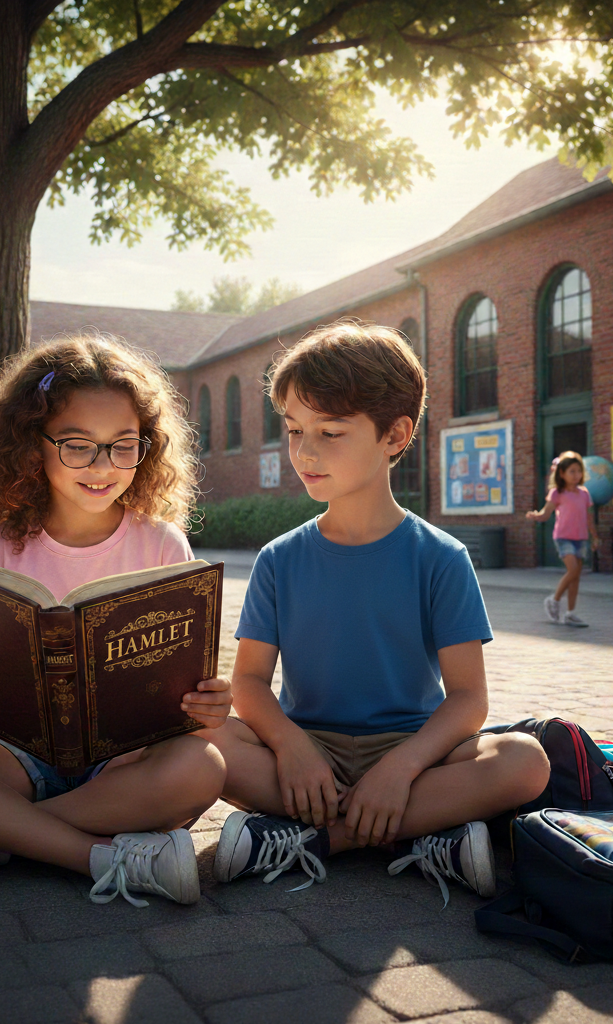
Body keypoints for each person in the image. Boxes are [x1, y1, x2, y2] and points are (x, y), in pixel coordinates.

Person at [0, 334, 230, 907]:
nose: (102, 466)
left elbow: (188, 687)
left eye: (123, 446)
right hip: (18, 757)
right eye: (77, 445)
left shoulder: (162, 543)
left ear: (148, 448)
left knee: (203, 767)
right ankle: (98, 855)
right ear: (31, 446)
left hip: (126, 763)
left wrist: (208, 703)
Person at [206, 321, 549, 905]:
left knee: (523, 760)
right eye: (294, 431)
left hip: (412, 752)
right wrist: (290, 747)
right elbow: (249, 683)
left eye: (331, 432)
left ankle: (316, 842)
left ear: (396, 435)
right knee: (200, 738)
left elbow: (468, 699)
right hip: (306, 755)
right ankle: (418, 837)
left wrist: (402, 768)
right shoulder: (279, 560)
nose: (305, 452)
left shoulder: (440, 558)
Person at [526, 451, 600, 628]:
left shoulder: (584, 493)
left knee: (576, 577)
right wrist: (536, 516)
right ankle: (554, 599)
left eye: (579, 471)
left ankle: (571, 613)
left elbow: (589, 518)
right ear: (562, 474)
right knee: (573, 570)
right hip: (563, 537)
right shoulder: (557, 493)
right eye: (572, 471)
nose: (576, 475)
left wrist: (595, 537)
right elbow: (546, 514)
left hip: (580, 538)